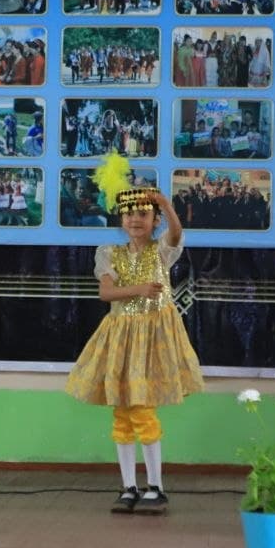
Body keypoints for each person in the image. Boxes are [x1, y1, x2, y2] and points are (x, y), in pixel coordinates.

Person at [65, 155, 204, 515]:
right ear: (121, 220)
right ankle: (128, 487)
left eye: (143, 214)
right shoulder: (108, 253)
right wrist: (139, 288)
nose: (135, 220)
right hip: (120, 336)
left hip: (153, 337)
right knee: (122, 413)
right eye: (129, 215)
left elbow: (177, 233)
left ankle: (156, 486)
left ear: (154, 221)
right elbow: (106, 294)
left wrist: (166, 203)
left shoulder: (163, 251)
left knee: (143, 409)